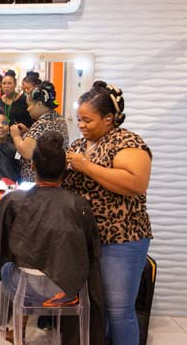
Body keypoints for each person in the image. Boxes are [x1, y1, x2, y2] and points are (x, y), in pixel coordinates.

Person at [0, 131, 104, 345]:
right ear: (64, 170)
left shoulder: (14, 200)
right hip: (66, 289)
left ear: (33, 166)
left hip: (26, 287)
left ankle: (17, 330)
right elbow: (90, 250)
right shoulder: (79, 205)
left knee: (10, 265)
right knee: (38, 263)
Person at [63, 81, 152, 345]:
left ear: (109, 118)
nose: (81, 125)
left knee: (119, 310)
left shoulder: (127, 142)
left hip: (122, 237)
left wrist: (86, 167)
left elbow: (136, 183)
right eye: (79, 119)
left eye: (87, 120)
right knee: (96, 309)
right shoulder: (79, 145)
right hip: (88, 240)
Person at [10, 81, 69, 182]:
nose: (28, 109)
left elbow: (27, 152)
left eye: (29, 105)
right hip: (55, 178)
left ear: (39, 104)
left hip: (39, 180)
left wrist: (16, 136)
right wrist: (28, 132)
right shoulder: (59, 119)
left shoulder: (42, 123)